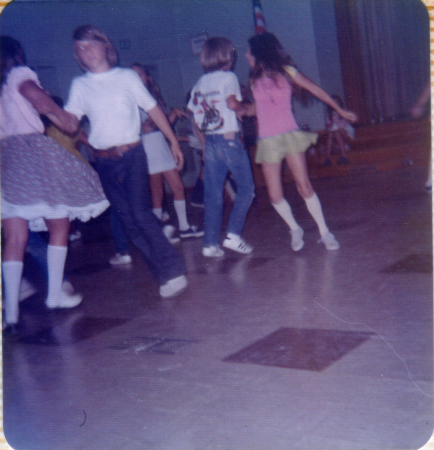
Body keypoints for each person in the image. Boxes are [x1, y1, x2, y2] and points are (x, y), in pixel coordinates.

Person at [65, 25, 187, 297]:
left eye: (91, 44)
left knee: (142, 216)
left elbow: (153, 108)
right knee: (129, 223)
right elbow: (70, 122)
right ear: (78, 57)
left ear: (105, 46)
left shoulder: (127, 77)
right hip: (104, 162)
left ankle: (175, 269)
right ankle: (164, 276)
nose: (87, 51)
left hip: (132, 155)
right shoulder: (79, 85)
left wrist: (173, 140)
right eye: (80, 49)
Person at [0, 36, 110, 331]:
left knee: (14, 237)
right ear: (17, 54)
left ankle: (9, 312)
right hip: (30, 152)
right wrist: (62, 118)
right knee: (59, 223)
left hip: (5, 158)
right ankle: (53, 296)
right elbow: (33, 94)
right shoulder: (18, 75)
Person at [246, 32, 357, 251]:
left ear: (260, 52)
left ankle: (325, 232)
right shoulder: (252, 79)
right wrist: (243, 109)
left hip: (289, 134)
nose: (246, 55)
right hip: (268, 139)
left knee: (303, 185)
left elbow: (315, 89)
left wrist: (339, 109)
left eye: (249, 51)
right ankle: (294, 229)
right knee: (274, 195)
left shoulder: (286, 72)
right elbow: (260, 109)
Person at [188, 37, 255, 257]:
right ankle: (233, 235)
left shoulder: (200, 82)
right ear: (226, 57)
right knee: (246, 190)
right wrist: (244, 108)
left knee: (213, 195)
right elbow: (231, 104)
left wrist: (205, 143)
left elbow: (193, 114)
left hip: (211, 142)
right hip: (228, 140)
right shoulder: (229, 77)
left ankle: (209, 244)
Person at [130, 63, 203, 239]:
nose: (137, 78)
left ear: (147, 76)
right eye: (134, 75)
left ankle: (184, 228)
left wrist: (170, 117)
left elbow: (161, 127)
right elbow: (149, 127)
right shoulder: (133, 99)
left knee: (176, 187)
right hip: (148, 147)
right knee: (157, 192)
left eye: (140, 74)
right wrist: (172, 115)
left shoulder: (154, 97)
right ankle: (159, 233)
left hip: (160, 145)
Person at [324, 94, 354, 166]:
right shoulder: (329, 114)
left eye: (336, 102)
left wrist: (333, 127)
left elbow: (342, 125)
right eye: (333, 102)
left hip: (346, 133)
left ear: (339, 103)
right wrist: (330, 127)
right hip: (336, 136)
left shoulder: (343, 111)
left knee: (335, 131)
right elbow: (328, 126)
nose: (335, 104)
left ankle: (344, 156)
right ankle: (328, 158)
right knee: (331, 133)